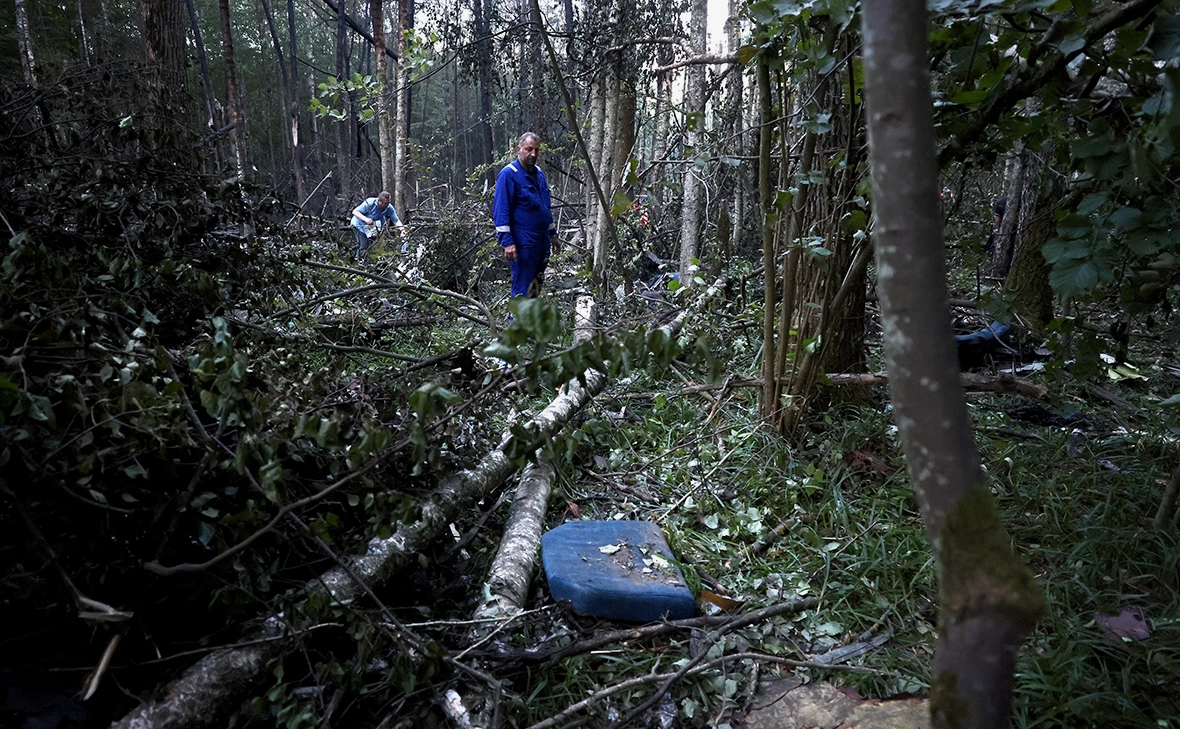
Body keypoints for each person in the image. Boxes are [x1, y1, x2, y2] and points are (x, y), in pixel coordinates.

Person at [493, 133, 560, 298]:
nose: (533, 154)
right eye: (529, 149)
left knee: (535, 288)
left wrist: (553, 234)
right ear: (519, 149)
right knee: (522, 289)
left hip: (542, 242)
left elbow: (545, 207)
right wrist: (507, 242)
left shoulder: (539, 174)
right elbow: (501, 211)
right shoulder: (509, 175)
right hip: (524, 243)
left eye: (536, 150)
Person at [350, 191, 406, 259]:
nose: (387, 205)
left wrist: (402, 229)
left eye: (388, 203)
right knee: (364, 244)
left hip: (371, 229)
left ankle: (368, 260)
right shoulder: (370, 203)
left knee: (373, 245)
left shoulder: (389, 208)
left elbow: (396, 220)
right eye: (385, 203)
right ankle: (359, 261)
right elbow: (355, 211)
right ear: (379, 201)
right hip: (359, 225)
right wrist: (366, 219)